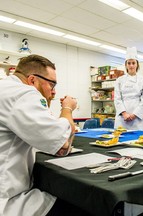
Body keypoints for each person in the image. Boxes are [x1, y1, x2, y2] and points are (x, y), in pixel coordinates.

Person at [0, 54, 90, 216]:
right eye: (51, 84)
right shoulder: (23, 93)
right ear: (32, 80)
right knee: (83, 203)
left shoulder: (5, 89)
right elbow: (62, 147)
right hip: (7, 200)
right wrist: (67, 108)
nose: (53, 91)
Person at [114, 47, 143, 131]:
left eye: (133, 63)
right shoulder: (119, 80)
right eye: (129, 63)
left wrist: (134, 115)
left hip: (138, 120)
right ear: (126, 65)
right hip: (122, 119)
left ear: (137, 64)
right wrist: (124, 113)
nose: (131, 65)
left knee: (140, 141)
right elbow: (117, 99)